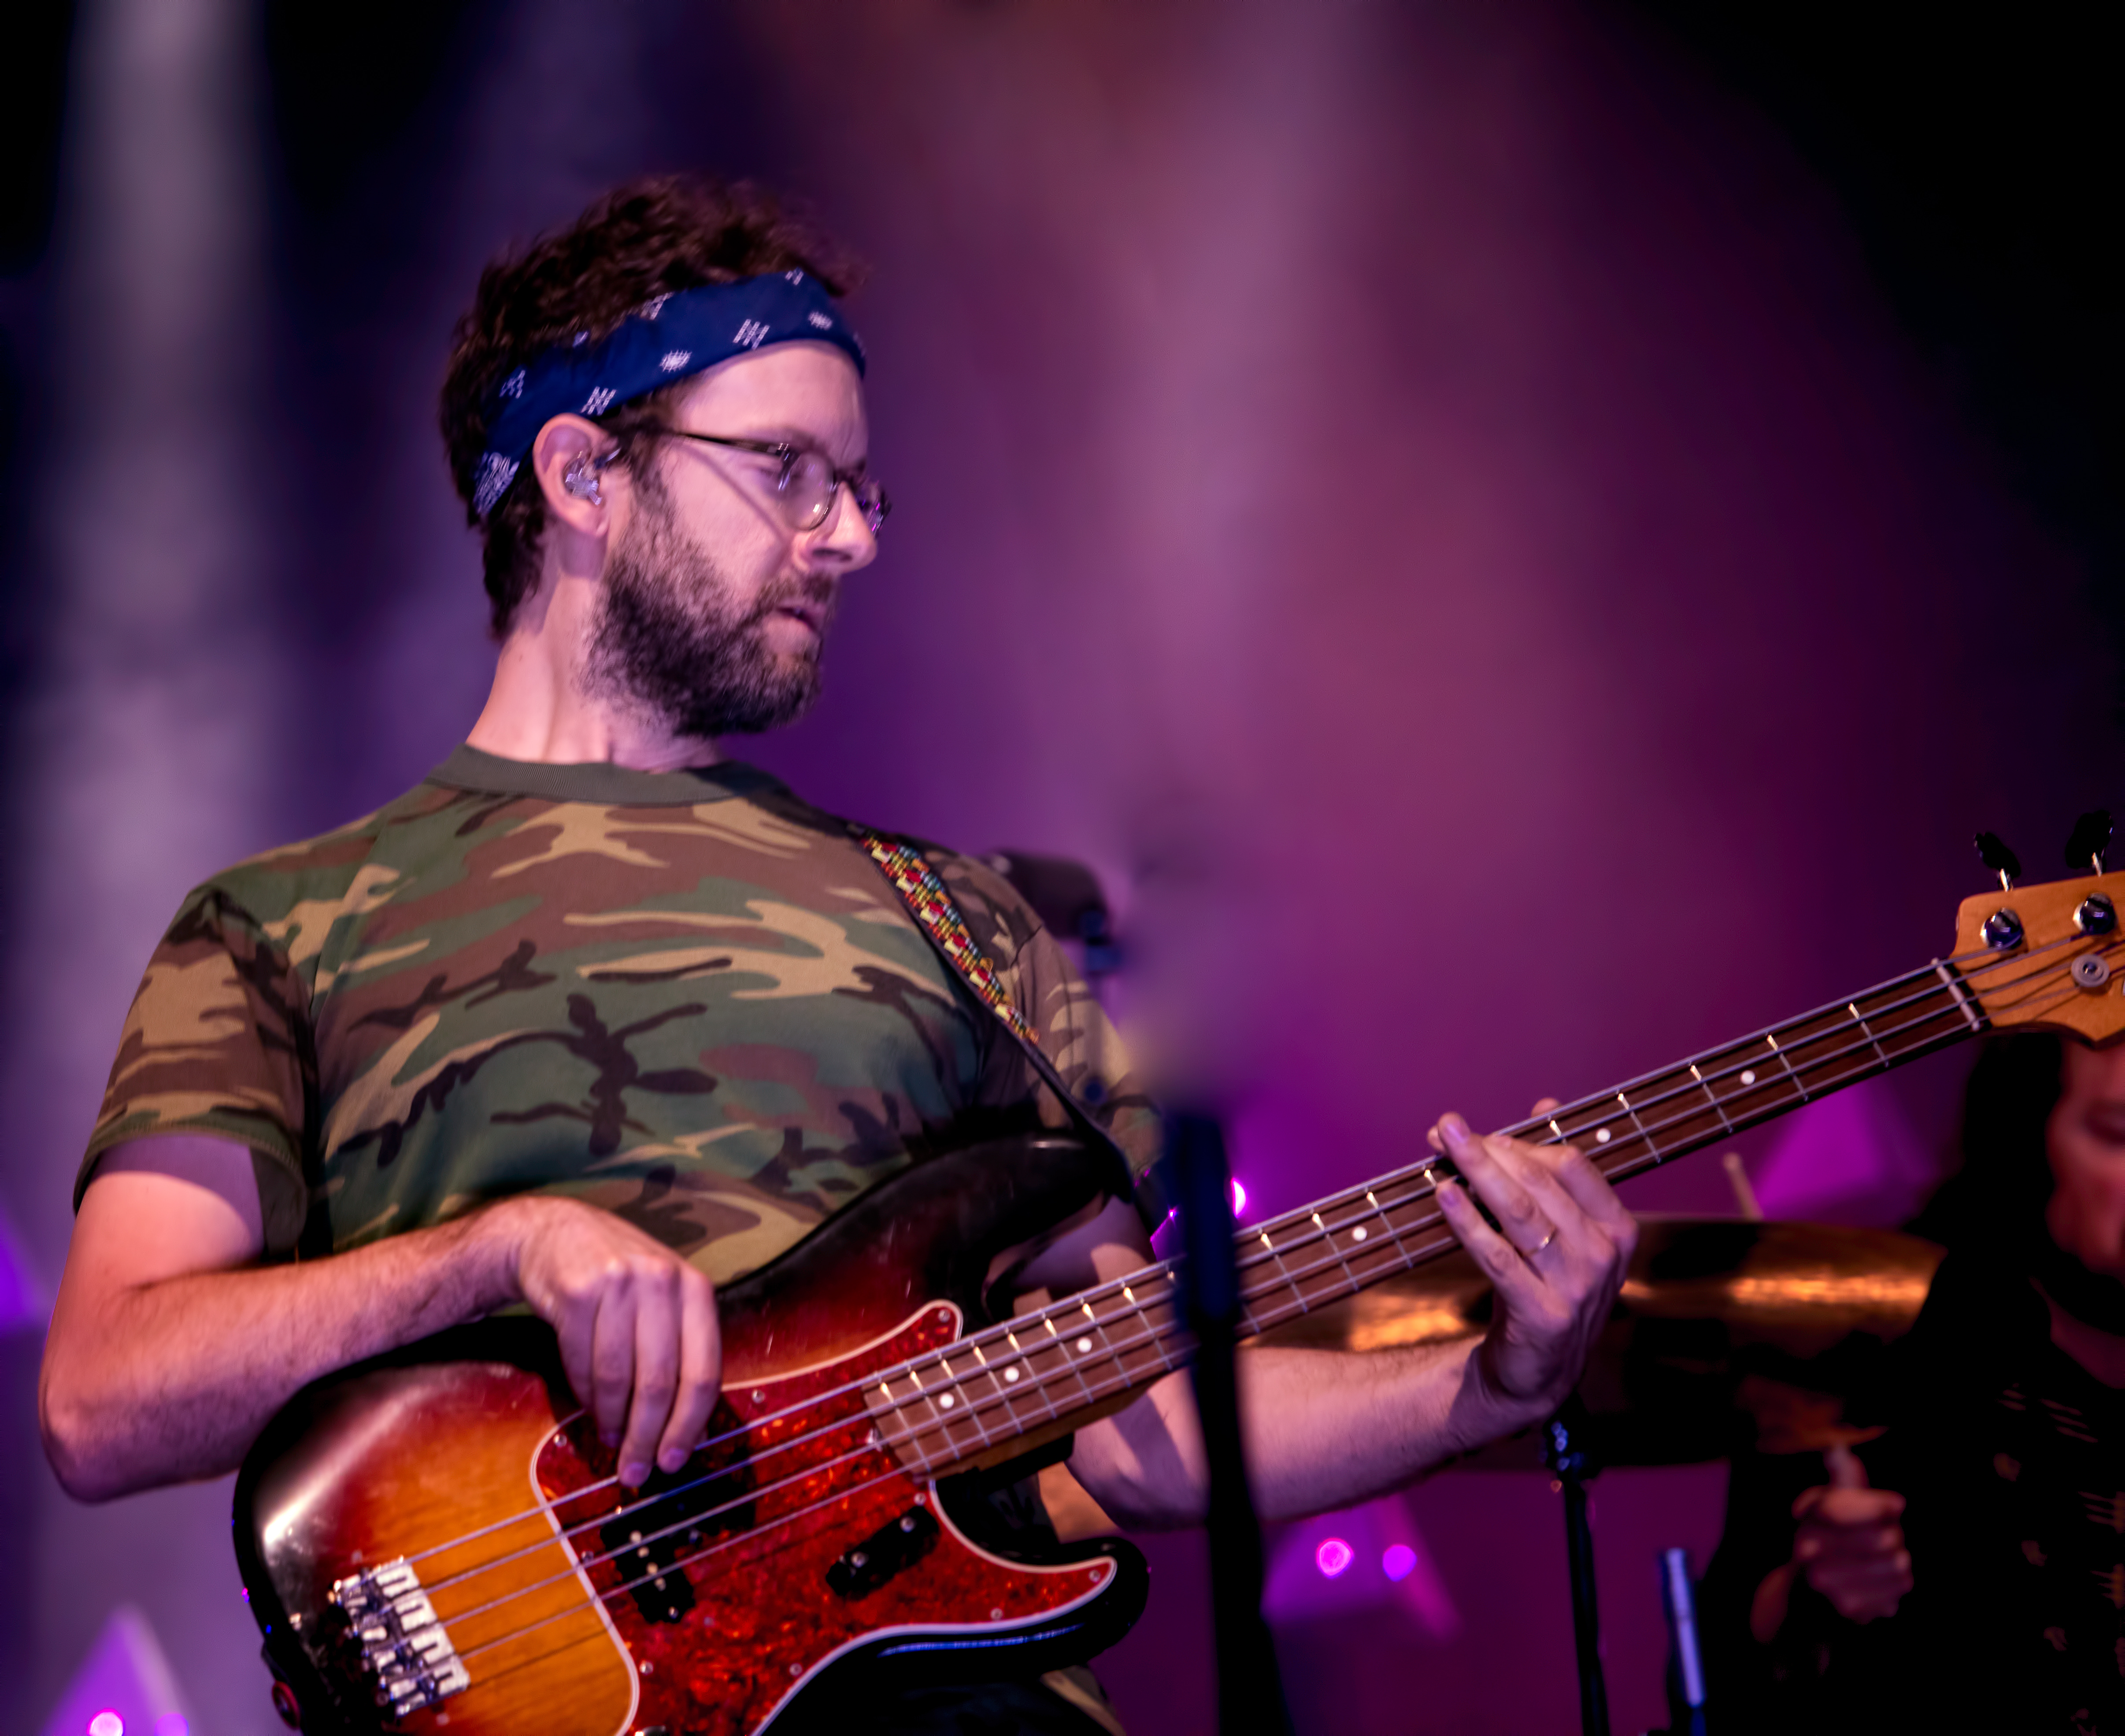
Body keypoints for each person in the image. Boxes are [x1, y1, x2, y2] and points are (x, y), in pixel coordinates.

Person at [37, 174, 1637, 1732]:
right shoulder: (285, 924)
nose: (850, 537)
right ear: (585, 474)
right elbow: (104, 1394)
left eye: (861, 486)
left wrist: (1486, 1387)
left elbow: (1149, 1427)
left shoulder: (964, 919)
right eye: (788, 469)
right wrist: (498, 1248)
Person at [1698, 1032, 2125, 1732]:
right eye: (2118, 1133)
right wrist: (1815, 1591)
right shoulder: (1873, 1334)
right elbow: (1728, 1666)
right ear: (2024, 1139)